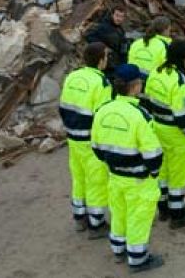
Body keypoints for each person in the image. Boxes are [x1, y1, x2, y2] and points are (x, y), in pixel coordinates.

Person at [91, 64, 164, 273]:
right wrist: (153, 172)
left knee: (119, 213)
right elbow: (153, 154)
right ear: (135, 86)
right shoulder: (140, 115)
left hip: (115, 175)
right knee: (139, 217)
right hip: (139, 178)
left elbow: (95, 147)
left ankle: (118, 248)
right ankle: (138, 259)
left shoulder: (102, 111)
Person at [58, 42, 113, 237]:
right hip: (90, 140)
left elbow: (63, 106)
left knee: (78, 177)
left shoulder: (72, 77)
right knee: (96, 181)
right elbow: (102, 117)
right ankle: (96, 224)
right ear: (100, 60)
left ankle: (79, 216)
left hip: (73, 137)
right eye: (106, 56)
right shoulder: (102, 83)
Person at [144, 43, 185, 228]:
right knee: (178, 176)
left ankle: (164, 209)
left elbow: (148, 97)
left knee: (163, 171)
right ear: (183, 58)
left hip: (157, 126)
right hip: (174, 133)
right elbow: (181, 115)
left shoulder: (157, 71)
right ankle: (178, 214)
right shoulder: (180, 81)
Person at [85, 8, 127, 78]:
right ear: (112, 15)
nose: (119, 19)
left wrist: (124, 62)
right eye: (117, 15)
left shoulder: (121, 30)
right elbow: (89, 36)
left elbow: (123, 47)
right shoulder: (103, 26)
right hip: (104, 63)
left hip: (115, 63)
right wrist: (103, 47)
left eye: (121, 16)